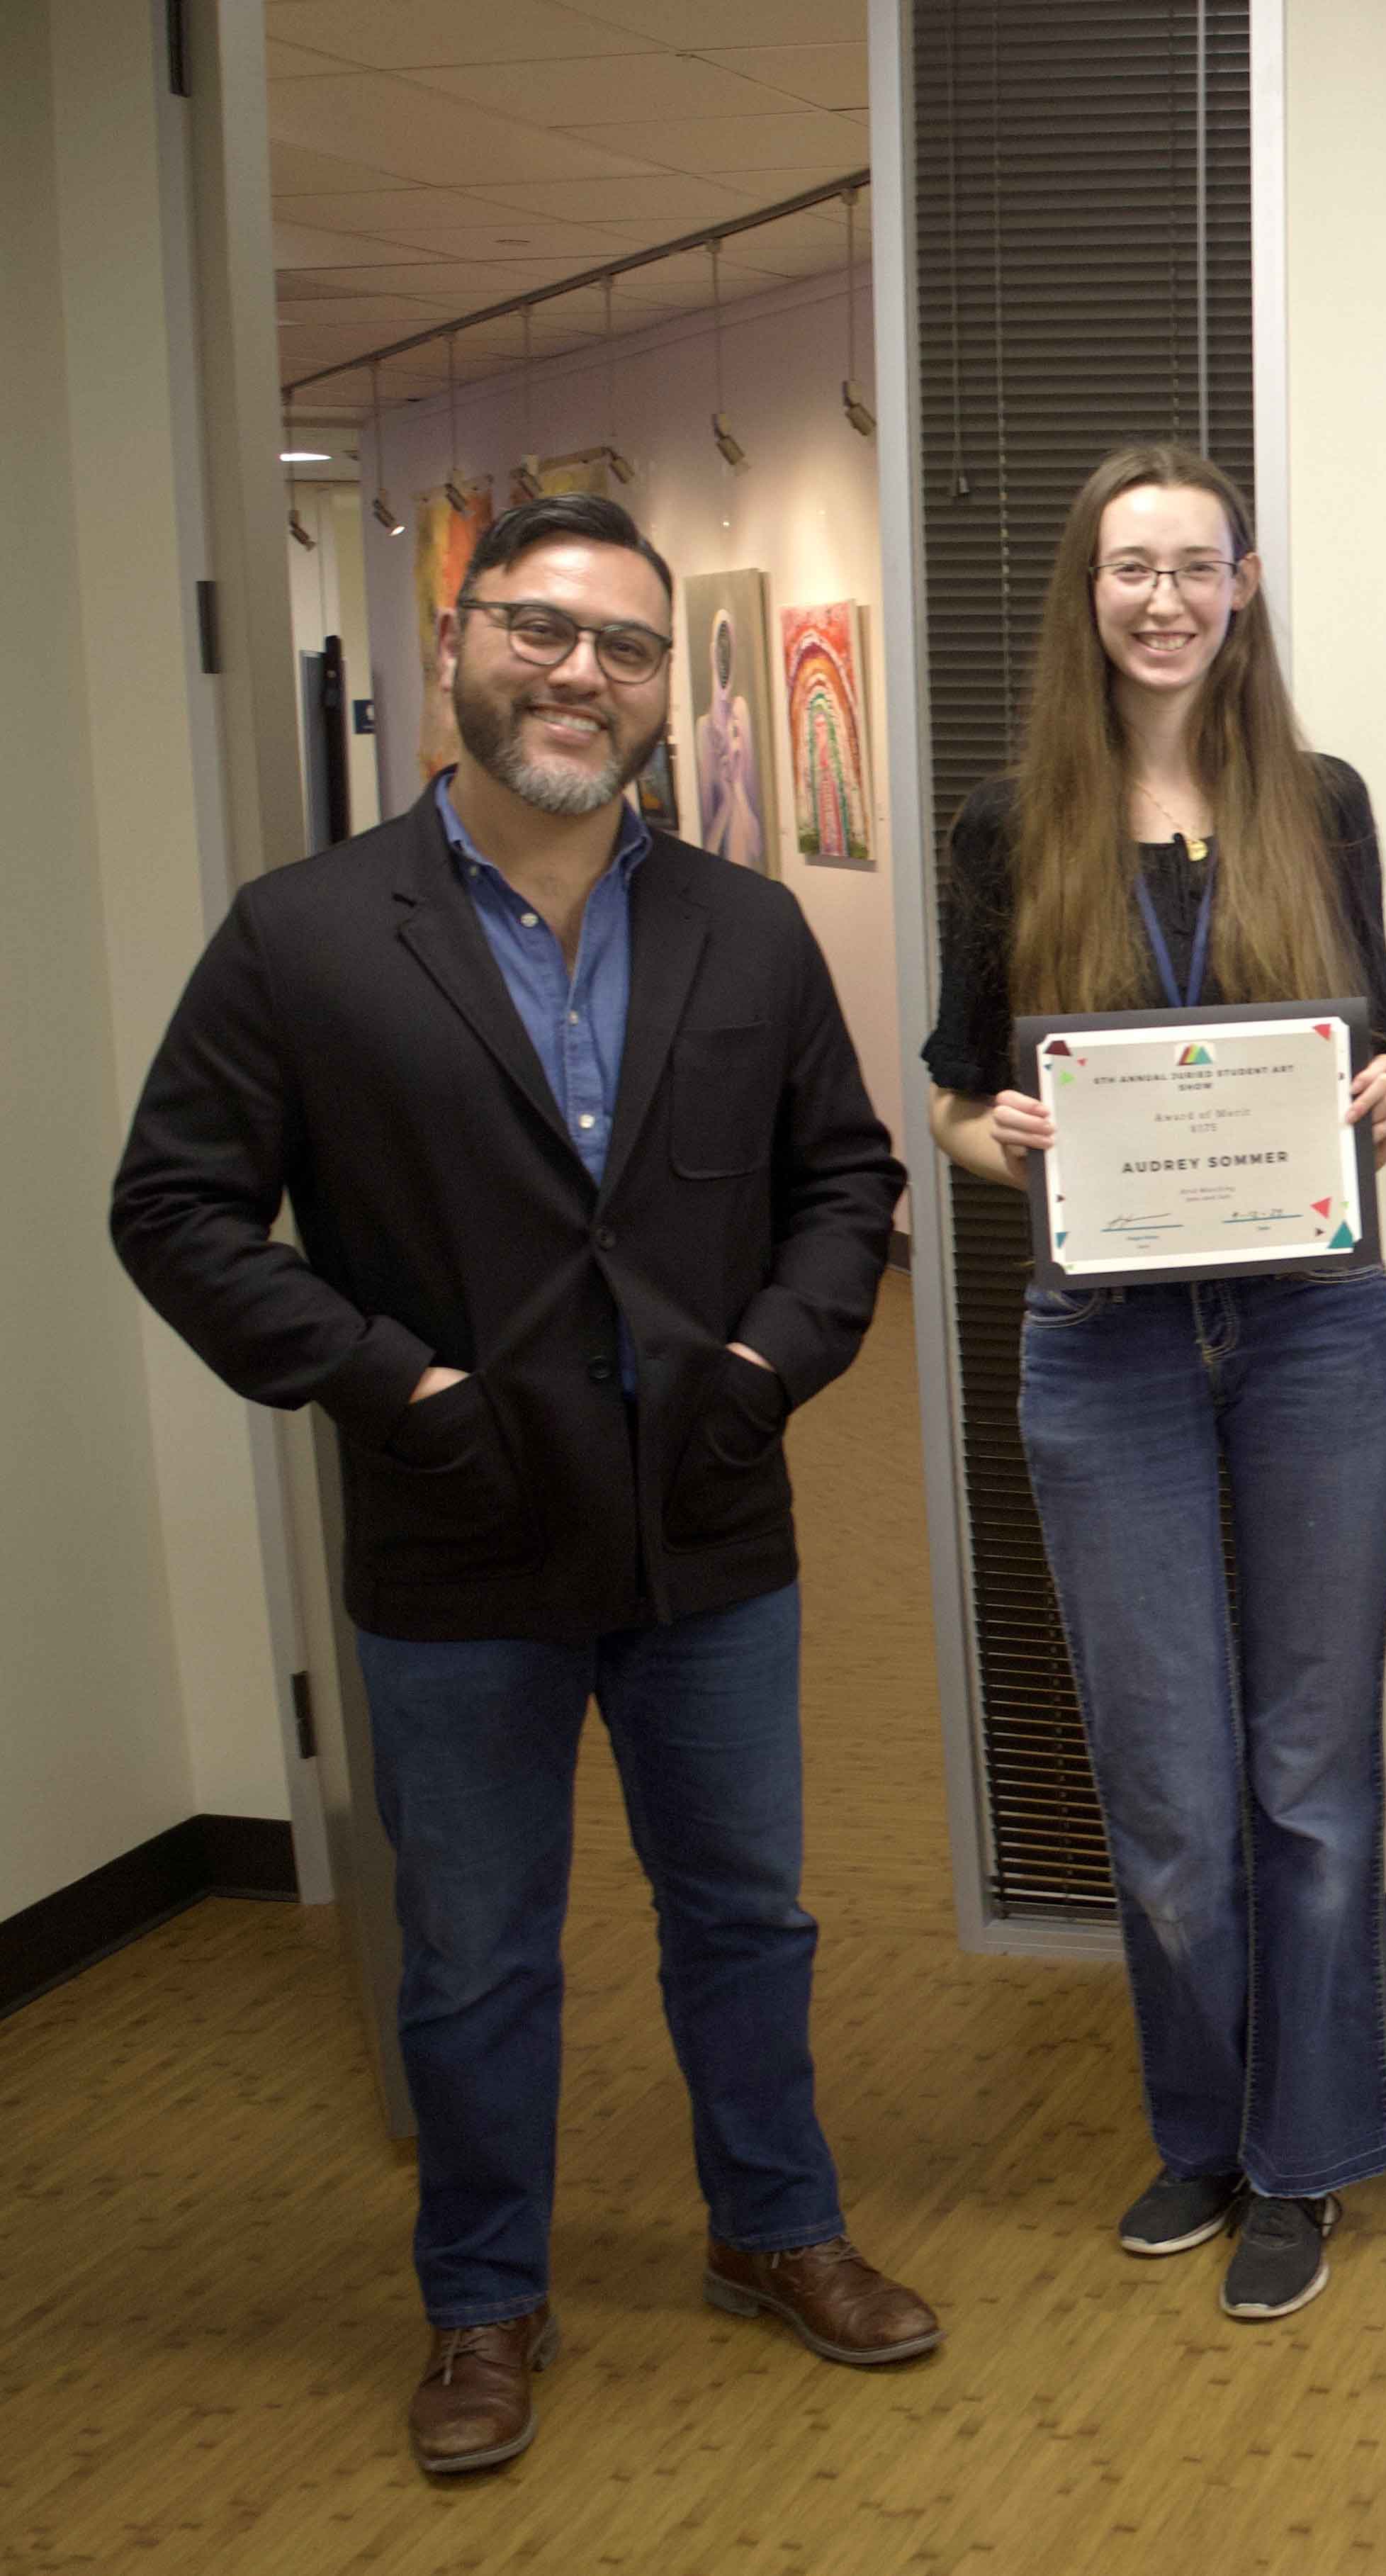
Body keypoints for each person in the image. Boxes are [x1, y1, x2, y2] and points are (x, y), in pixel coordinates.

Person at [108, 491, 928, 2476]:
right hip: (453, 1526)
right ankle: (482, 2297)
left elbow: (848, 1183)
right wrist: (393, 1385)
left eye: (627, 646)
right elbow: (177, 1208)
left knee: (747, 1912)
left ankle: (774, 2226)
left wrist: (766, 1362)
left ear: (669, 687)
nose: (580, 673)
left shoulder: (743, 925)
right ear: (460, 645)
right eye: (540, 631)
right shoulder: (304, 934)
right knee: (475, 1949)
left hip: (708, 1521)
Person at [925, 445, 1386, 2325]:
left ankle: (1304, 2160)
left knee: (1310, 1773)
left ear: (1243, 585)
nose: (1159, 599)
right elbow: (967, 1103)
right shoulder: (1006, 829)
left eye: (1191, 567)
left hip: (1311, 1327)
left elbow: (1369, 1054)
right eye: (1127, 568)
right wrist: (1014, 1142)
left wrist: (1371, 1100)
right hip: (1104, 1339)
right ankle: (1196, 2134)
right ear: (1088, 590)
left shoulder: (1323, 807)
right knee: (1166, 1788)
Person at [697, 611, 765, 872]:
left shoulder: (741, 715)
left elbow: (757, 846)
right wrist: (726, 798)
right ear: (712, 653)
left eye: (729, 651)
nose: (725, 663)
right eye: (720, 652)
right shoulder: (704, 730)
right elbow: (709, 849)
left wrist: (737, 785)